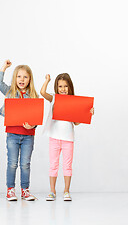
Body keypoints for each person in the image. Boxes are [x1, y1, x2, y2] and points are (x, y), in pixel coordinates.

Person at [40, 73, 94, 201]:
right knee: (53, 165)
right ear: (56, 87)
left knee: (67, 165)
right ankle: (52, 191)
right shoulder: (54, 98)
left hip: (68, 138)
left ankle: (66, 191)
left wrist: (88, 113)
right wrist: (47, 80)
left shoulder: (73, 101)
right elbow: (42, 92)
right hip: (54, 137)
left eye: (65, 86)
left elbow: (76, 122)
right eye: (60, 86)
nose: (63, 89)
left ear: (70, 87)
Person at [0, 59, 39, 201]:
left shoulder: (33, 96)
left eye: (25, 77)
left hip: (28, 136)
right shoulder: (9, 91)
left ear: (29, 79)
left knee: (25, 164)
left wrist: (33, 125)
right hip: (12, 134)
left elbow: (37, 117)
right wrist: (4, 67)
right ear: (15, 78)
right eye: (19, 76)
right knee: (12, 163)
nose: (22, 79)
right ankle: (10, 190)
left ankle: (25, 190)